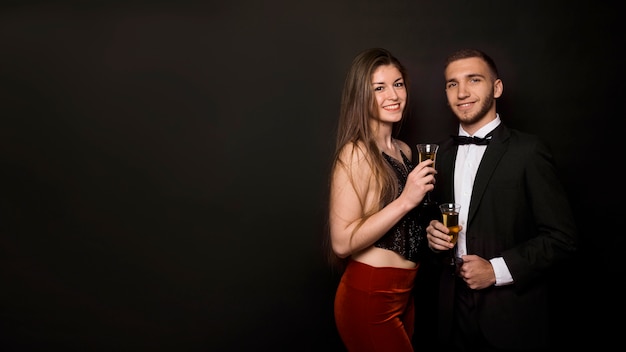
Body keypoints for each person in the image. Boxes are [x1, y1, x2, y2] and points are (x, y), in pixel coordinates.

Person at [424, 48, 578, 351]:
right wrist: (432, 238)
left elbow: (563, 238)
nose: (462, 92)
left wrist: (496, 271)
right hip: (451, 316)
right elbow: (433, 227)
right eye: (452, 84)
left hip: (511, 318)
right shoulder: (439, 155)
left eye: (474, 80)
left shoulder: (529, 151)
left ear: (496, 88)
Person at [326, 48, 436, 351]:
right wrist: (405, 200)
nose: (393, 95)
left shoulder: (405, 150)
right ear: (361, 96)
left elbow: (408, 228)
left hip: (405, 294)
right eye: (379, 87)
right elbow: (341, 242)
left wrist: (433, 233)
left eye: (398, 84)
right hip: (370, 295)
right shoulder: (355, 153)